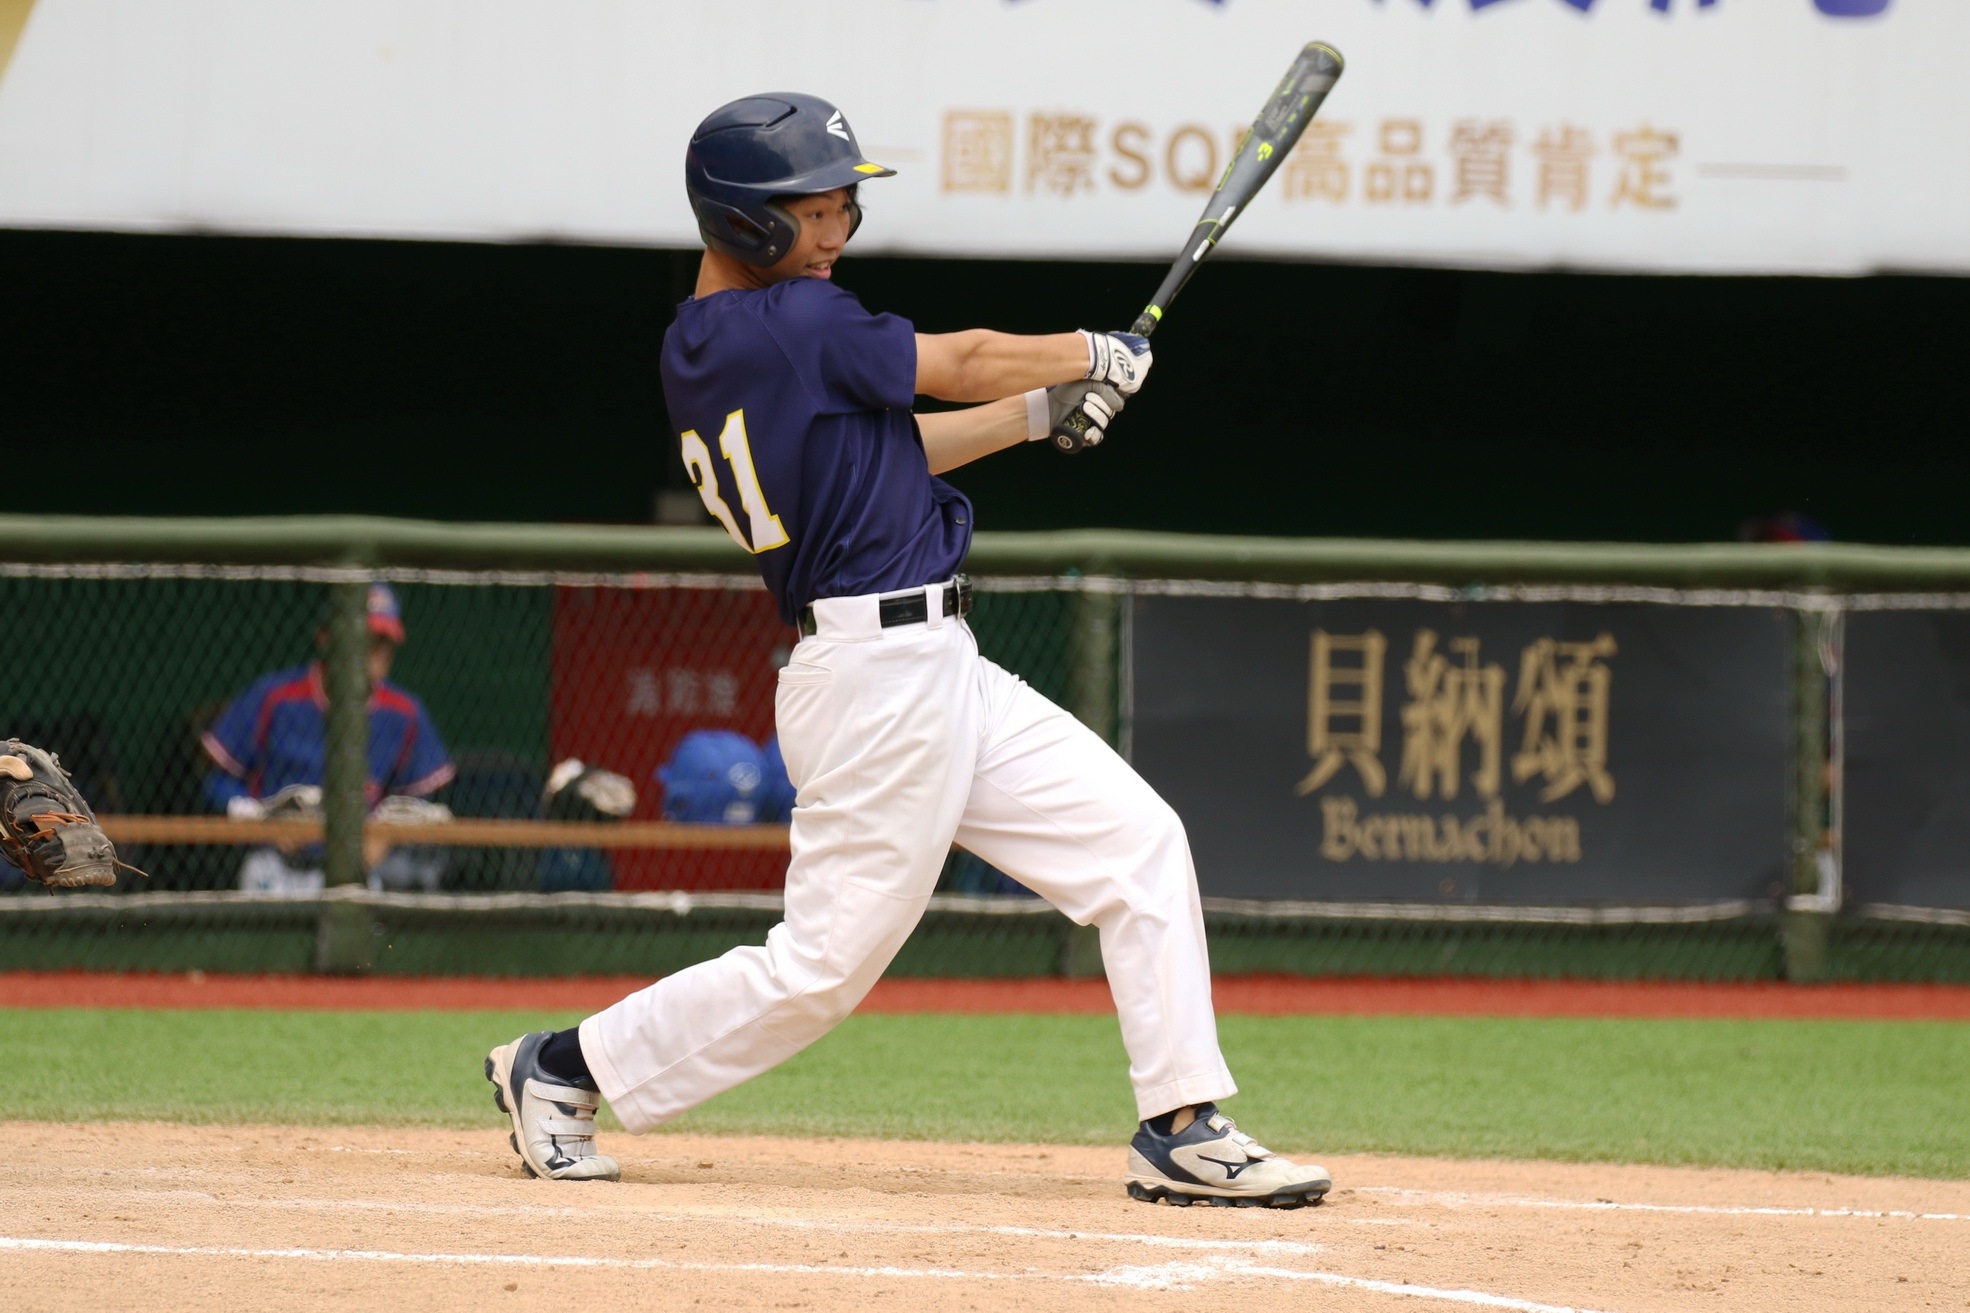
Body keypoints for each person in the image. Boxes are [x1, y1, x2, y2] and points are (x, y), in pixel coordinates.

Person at [485, 93, 1330, 1208]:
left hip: (934, 662)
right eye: (813, 210)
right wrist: (1093, 350)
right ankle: (562, 1065)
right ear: (742, 219)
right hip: (874, 676)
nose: (836, 231)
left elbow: (891, 448)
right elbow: (963, 358)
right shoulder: (791, 321)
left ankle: (1180, 1124)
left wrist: (1040, 412)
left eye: (845, 208)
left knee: (1137, 844)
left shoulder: (716, 338)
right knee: (823, 967)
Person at [202, 583, 455, 893]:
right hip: (275, 865)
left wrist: (386, 833)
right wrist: (261, 822)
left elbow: (420, 798)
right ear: (325, 637)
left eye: (384, 643)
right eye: (364, 641)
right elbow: (217, 782)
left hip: (356, 869)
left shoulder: (404, 712)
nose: (375, 654)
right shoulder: (276, 697)